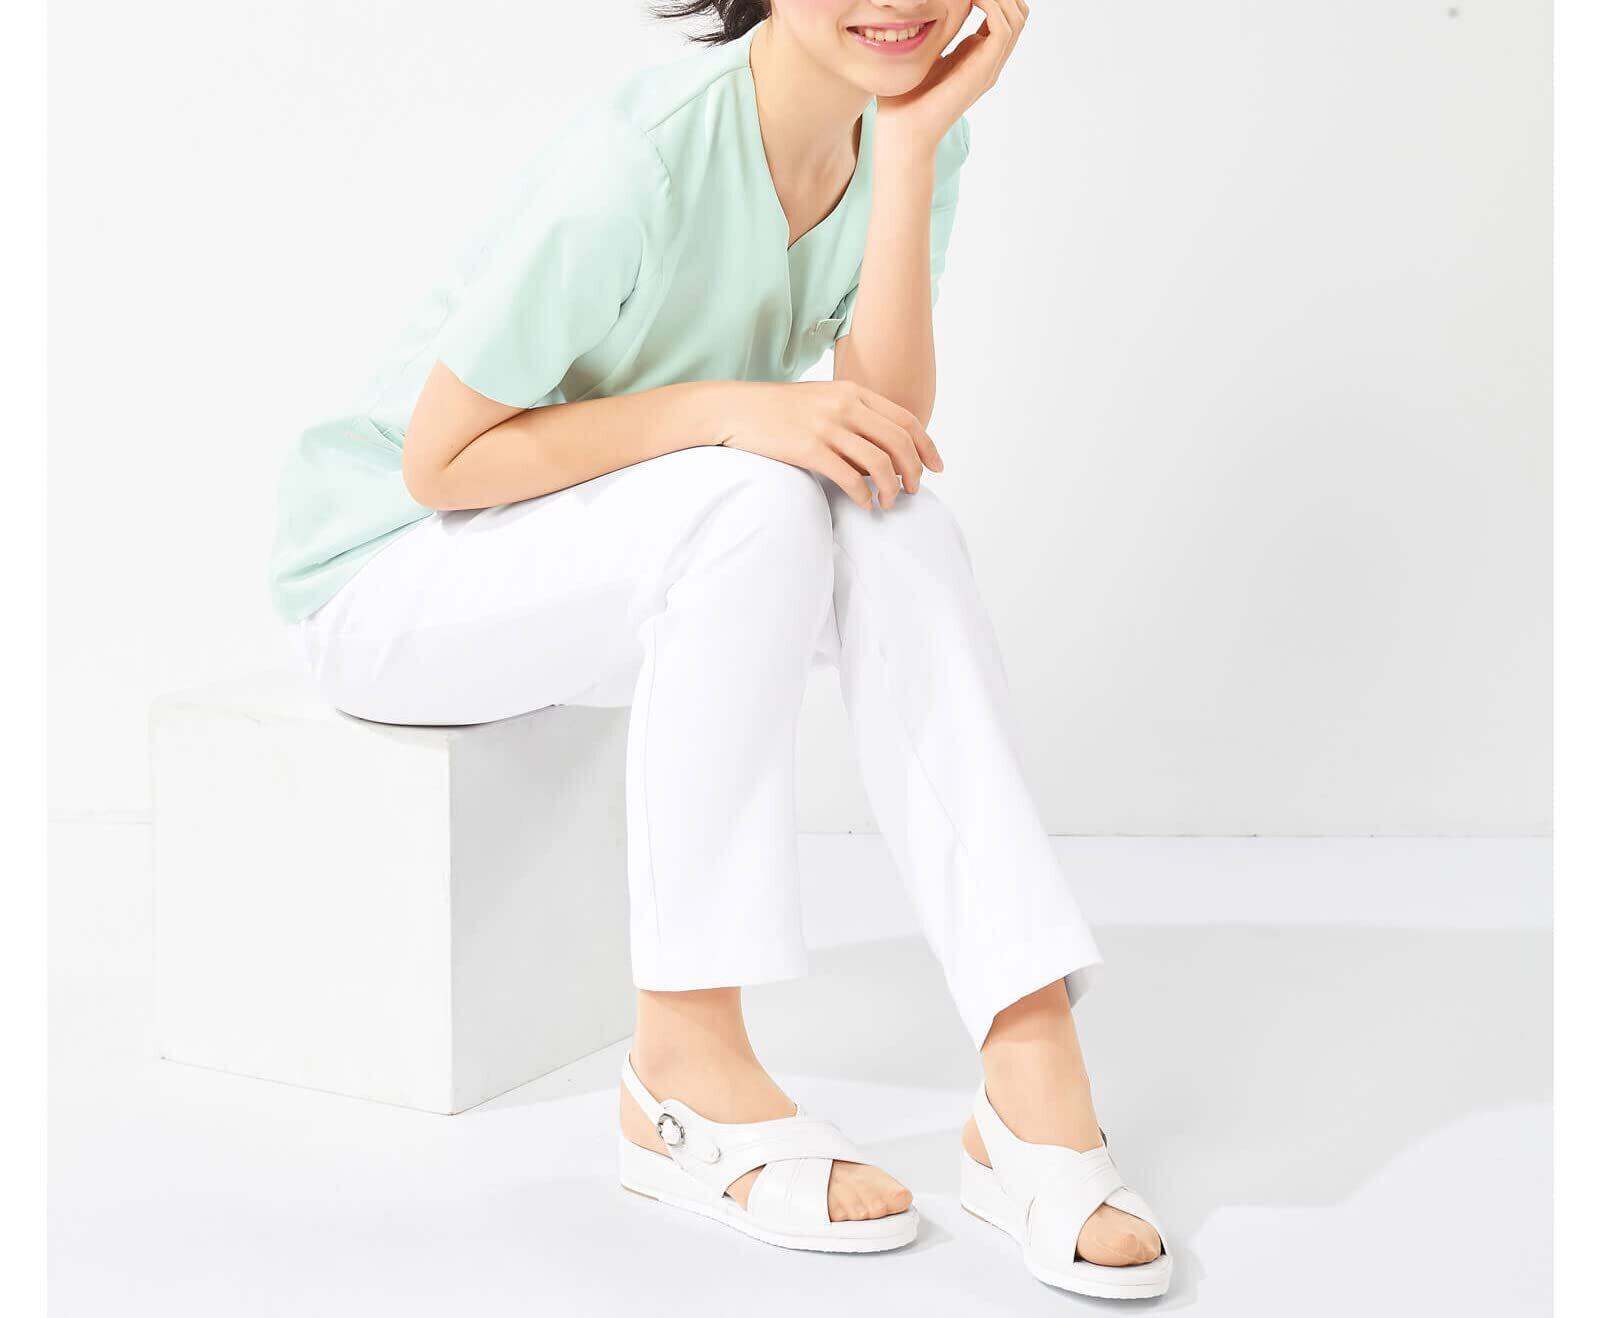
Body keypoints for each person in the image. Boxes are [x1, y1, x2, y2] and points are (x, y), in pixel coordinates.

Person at [268, 0, 1169, 1298]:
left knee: (895, 516)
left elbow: (884, 424)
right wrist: (732, 411)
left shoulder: (906, 128)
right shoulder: (638, 166)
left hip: (594, 556)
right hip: (390, 576)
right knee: (753, 495)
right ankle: (682, 1070)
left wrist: (913, 150)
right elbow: (442, 461)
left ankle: (1028, 1061)